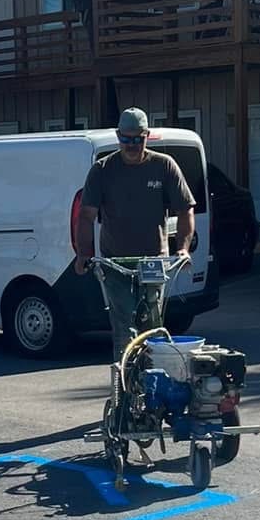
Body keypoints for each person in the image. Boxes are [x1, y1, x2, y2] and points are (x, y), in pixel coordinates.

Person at [74, 108, 195, 355]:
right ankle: (124, 385)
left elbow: (185, 210)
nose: (131, 145)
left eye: (137, 139)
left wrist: (182, 249)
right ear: (118, 136)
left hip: (153, 261)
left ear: (146, 136)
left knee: (151, 326)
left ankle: (151, 382)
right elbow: (86, 216)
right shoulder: (103, 170)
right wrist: (83, 254)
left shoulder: (164, 166)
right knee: (124, 326)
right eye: (126, 139)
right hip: (116, 263)